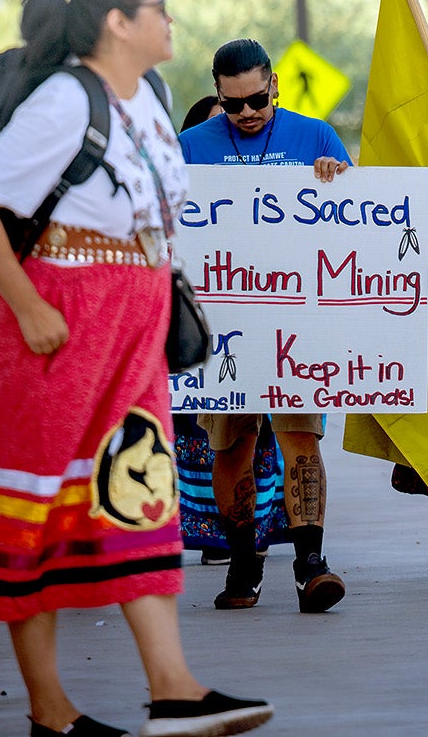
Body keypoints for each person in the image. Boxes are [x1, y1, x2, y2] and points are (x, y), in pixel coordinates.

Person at [0, 0, 271, 737]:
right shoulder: (67, 98)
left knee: (139, 491)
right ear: (118, 22)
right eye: (158, 8)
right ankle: (51, 714)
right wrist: (21, 307)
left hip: (131, 328)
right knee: (33, 512)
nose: (170, 21)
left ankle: (174, 690)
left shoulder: (154, 100)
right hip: (53, 327)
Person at [179, 39, 350, 615]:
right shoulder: (189, 147)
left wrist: (338, 177)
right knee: (234, 444)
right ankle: (245, 559)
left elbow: (357, 216)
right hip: (220, 322)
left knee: (302, 436)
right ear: (218, 95)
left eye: (256, 98)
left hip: (297, 319)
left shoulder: (316, 135)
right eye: (233, 104)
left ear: (273, 83)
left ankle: (311, 564)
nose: (247, 112)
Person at [168, 95, 289, 572]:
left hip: (270, 326)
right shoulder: (183, 169)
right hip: (205, 339)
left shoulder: (287, 158)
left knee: (265, 445)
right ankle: (219, 538)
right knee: (212, 446)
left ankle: (256, 534)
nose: (237, 124)